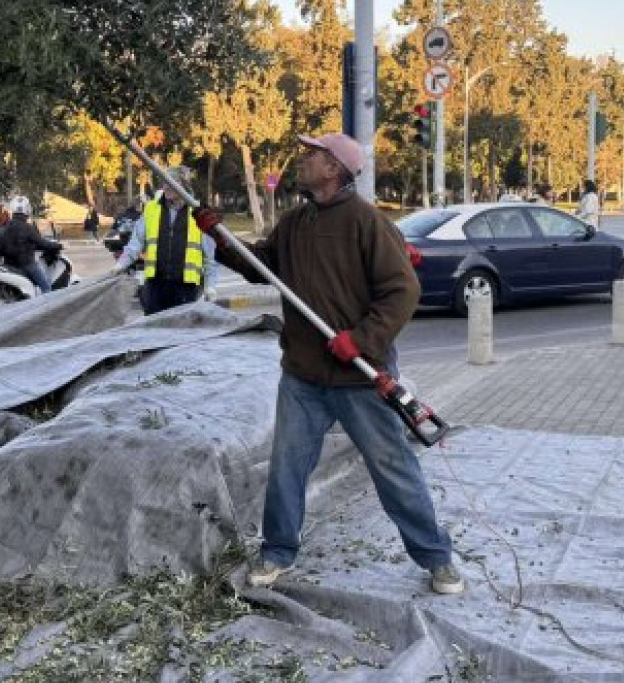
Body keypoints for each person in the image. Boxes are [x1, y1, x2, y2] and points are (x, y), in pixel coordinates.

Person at [195, 132, 464, 596]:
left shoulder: (366, 223)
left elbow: (403, 292)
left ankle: (436, 558)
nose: (304, 161)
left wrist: (360, 340)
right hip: (303, 374)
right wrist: (220, 237)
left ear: (335, 169)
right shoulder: (296, 222)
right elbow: (263, 267)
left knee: (392, 467)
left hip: (360, 376)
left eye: (313, 155)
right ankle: (277, 551)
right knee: (287, 466)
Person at [113, 167, 219, 314]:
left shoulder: (199, 213)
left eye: (172, 182)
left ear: (184, 186)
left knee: (180, 333)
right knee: (153, 332)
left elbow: (210, 256)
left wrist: (210, 286)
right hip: (155, 287)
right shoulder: (151, 209)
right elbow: (135, 244)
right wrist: (121, 264)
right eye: (165, 182)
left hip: (185, 289)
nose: (166, 187)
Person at [0, 196, 61, 294]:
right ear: (27, 210)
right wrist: (58, 246)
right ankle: (48, 307)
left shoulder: (4, 227)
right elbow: (42, 243)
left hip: (8, 265)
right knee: (46, 287)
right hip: (26, 264)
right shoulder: (28, 228)